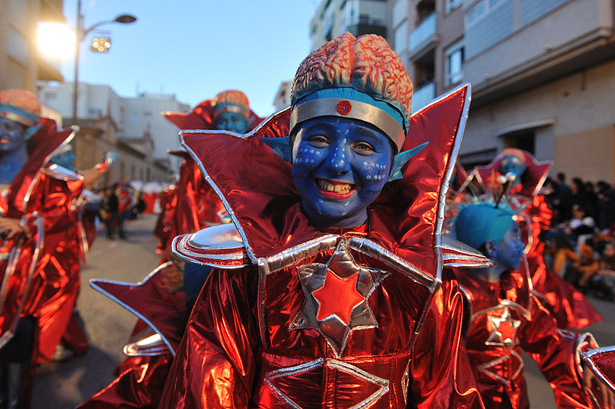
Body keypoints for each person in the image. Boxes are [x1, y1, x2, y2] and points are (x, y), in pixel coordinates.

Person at [157, 33, 484, 408]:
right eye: (318, 139)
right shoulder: (245, 265)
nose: (338, 164)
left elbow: (445, 391)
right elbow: (207, 383)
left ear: (395, 164)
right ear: (289, 149)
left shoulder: (423, 271)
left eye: (364, 146)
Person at [78, 90, 267, 408]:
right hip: (200, 258)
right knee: (183, 335)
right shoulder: (196, 162)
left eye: (236, 120)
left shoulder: (261, 161)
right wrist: (186, 256)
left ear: (248, 122)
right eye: (223, 120)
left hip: (246, 265)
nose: (229, 126)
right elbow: (186, 211)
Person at [452, 201, 610, 408]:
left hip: (516, 400)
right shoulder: (456, 297)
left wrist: (585, 358)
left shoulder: (516, 292)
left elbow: (548, 339)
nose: (521, 246)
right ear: (491, 246)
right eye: (514, 237)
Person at [0, 89, 82, 408]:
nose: (2, 133)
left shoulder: (46, 176)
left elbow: (62, 212)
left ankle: (15, 401)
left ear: (27, 132)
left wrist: (25, 224)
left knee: (19, 335)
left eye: (9, 127)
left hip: (24, 271)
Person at [473, 148, 601, 330]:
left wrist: (523, 218)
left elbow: (544, 219)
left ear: (523, 169)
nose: (510, 169)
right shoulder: (494, 195)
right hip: (501, 247)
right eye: (506, 165)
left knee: (534, 282)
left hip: (528, 249)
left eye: (514, 165)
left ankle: (535, 321)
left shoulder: (535, 196)